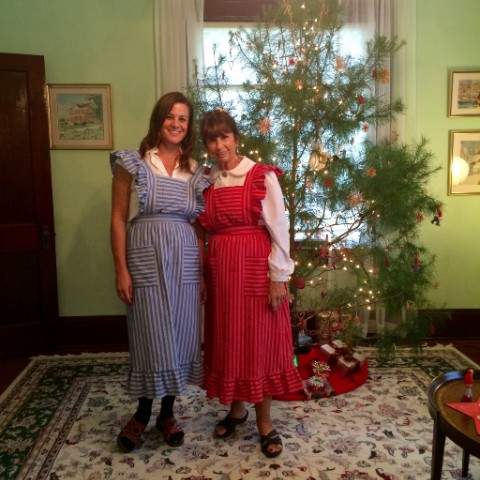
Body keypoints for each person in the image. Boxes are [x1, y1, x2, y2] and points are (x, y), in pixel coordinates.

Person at [198, 109, 302, 458]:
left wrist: (278, 276)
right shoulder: (206, 180)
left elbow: (279, 228)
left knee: (258, 345)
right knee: (231, 340)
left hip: (257, 271)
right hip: (222, 273)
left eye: (224, 136)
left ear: (236, 137)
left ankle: (265, 423)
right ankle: (237, 410)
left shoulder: (260, 175)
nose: (219, 144)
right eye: (212, 139)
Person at [110, 91, 209, 452]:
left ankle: (167, 413)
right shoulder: (133, 162)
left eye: (183, 119)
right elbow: (118, 219)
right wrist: (121, 269)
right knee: (149, 336)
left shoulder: (195, 171)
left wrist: (200, 275)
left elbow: (199, 227)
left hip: (183, 258)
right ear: (159, 119)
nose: (176, 124)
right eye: (171, 116)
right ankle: (141, 413)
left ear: (189, 126)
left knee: (179, 334)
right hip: (144, 257)